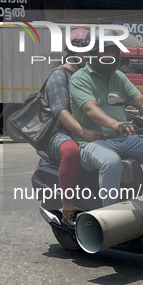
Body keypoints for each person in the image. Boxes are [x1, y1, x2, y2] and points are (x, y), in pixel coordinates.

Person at [69, 35, 143, 207]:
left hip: (122, 138)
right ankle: (110, 215)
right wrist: (116, 124)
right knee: (111, 162)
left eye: (112, 51)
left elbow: (142, 102)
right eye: (104, 51)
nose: (109, 55)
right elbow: (90, 109)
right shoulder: (80, 78)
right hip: (92, 142)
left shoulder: (118, 76)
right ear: (93, 54)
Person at [43, 29, 105, 225]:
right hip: (60, 132)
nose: (91, 55)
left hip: (86, 128)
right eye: (87, 51)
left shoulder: (90, 75)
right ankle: (68, 207)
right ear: (73, 51)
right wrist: (84, 132)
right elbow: (60, 111)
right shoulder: (59, 76)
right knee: (70, 152)